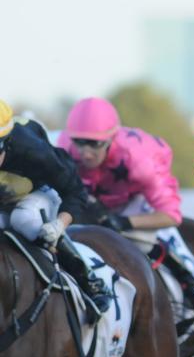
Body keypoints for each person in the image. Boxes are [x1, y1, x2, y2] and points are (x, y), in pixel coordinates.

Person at [57, 97, 194, 307]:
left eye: (94, 144)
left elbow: (171, 216)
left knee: (143, 239)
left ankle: (188, 281)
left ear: (110, 139)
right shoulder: (63, 147)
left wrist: (123, 222)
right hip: (90, 201)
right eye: (79, 142)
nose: (85, 152)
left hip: (131, 202)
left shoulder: (139, 160)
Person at [0, 99, 111, 312]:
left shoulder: (33, 150)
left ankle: (91, 282)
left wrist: (59, 224)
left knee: (23, 219)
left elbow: (76, 192)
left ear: (6, 141)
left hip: (38, 193)